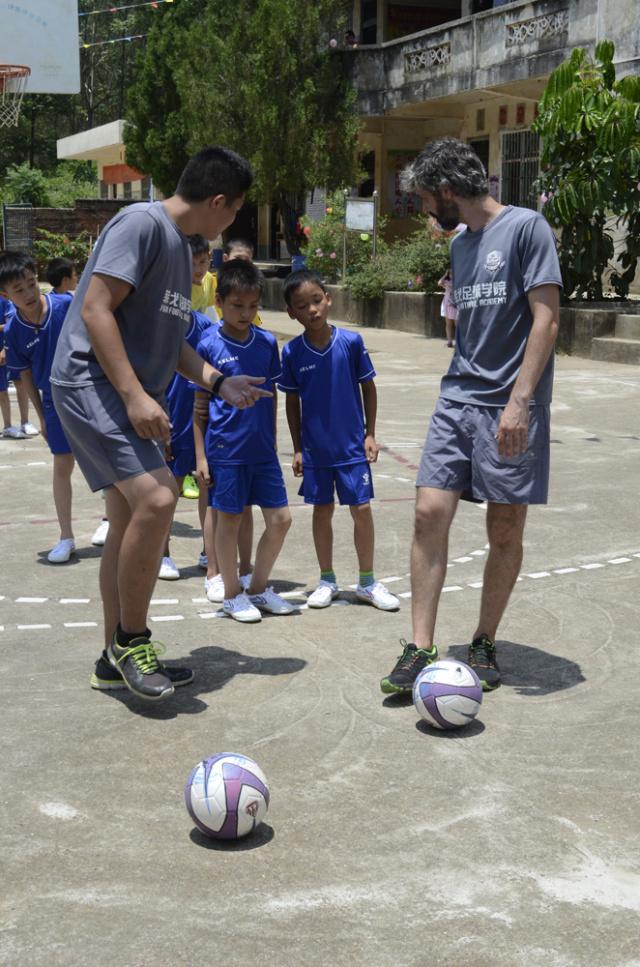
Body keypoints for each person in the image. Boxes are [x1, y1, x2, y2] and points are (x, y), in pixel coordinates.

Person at [49, 145, 270, 701]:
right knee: (160, 498)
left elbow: (171, 345)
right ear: (219, 202)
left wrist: (220, 382)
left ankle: (111, 657)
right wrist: (133, 396)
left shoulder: (179, 249)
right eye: (235, 211)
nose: (231, 224)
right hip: (89, 382)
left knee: (129, 519)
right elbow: (95, 308)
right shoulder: (141, 225)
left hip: (117, 388)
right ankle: (132, 639)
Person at [379, 136, 561, 695]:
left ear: (450, 191)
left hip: (510, 406)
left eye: (429, 201)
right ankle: (419, 646)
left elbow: (547, 320)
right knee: (428, 513)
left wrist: (519, 401)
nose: (427, 212)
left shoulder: (528, 228)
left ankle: (483, 640)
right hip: (457, 399)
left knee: (504, 526)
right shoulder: (460, 246)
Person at [279, 269, 400, 612]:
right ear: (291, 312)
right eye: (302, 305)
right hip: (316, 451)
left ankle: (367, 582)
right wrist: (299, 447)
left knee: (361, 509)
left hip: (351, 448)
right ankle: (327, 580)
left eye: (317, 300)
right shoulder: (291, 353)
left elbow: (369, 387)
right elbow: (291, 401)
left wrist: (370, 433)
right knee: (322, 511)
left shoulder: (351, 342)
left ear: (328, 299)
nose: (312, 310)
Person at [194, 258, 292, 622]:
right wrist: (201, 458)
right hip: (226, 451)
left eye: (253, 306)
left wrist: (274, 436)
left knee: (280, 520)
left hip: (262, 450)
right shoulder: (207, 344)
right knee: (229, 520)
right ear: (219, 301)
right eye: (237, 305)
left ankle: (258, 588)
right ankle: (231, 593)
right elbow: (199, 409)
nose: (246, 312)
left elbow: (273, 393)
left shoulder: (267, 343)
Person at [0, 253, 76, 562]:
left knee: (106, 461)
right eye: (19, 290)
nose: (29, 293)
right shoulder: (13, 331)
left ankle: (111, 523)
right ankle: (66, 537)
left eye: (32, 284)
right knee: (62, 465)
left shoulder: (66, 305)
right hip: (54, 399)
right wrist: (41, 418)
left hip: (89, 392)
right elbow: (26, 376)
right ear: (5, 296)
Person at [159, 307, 212, 580]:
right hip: (172, 422)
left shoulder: (204, 324)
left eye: (204, 260)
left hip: (202, 421)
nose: (200, 266)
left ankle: (209, 552)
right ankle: (163, 553)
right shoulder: (155, 323)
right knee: (170, 490)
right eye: (195, 261)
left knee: (208, 486)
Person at [0, 294, 39, 439]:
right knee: (2, 390)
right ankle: (7, 426)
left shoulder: (5, 301)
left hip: (10, 348)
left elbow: (10, 324)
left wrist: (4, 349)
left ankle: (25, 422)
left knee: (20, 383)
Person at [438, 266, 457, 348]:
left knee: (457, 324)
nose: (451, 274)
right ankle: (449, 341)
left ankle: (459, 341)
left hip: (456, 305)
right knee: (448, 323)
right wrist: (445, 274)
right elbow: (439, 283)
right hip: (447, 304)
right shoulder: (447, 282)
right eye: (450, 273)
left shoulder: (458, 282)